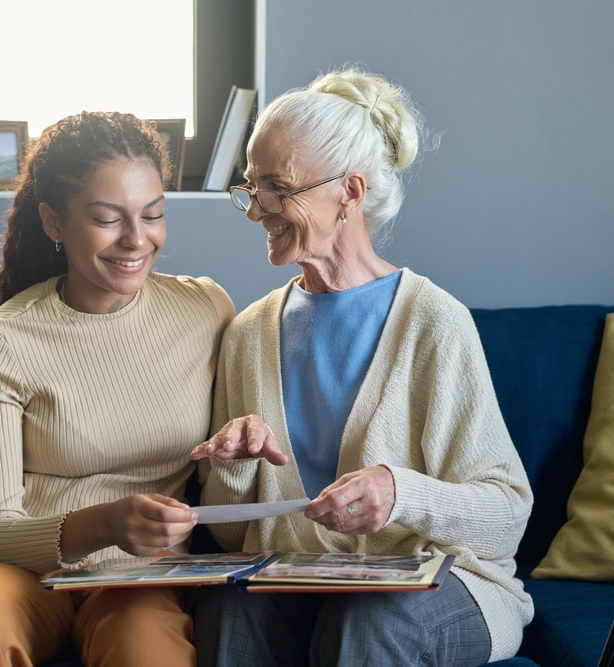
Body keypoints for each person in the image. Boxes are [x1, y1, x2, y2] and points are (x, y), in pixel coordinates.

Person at [189, 68, 534, 666]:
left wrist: (400, 493)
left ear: (350, 190)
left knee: (369, 617)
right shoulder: (247, 333)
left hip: (442, 586)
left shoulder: (433, 321)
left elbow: (506, 515)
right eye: (251, 186)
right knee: (229, 605)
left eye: (278, 187)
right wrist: (238, 471)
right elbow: (228, 538)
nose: (255, 211)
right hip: (301, 584)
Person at [0, 111, 235, 667]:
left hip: (140, 580)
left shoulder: (206, 310)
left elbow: (231, 472)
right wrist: (106, 523)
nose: (137, 239)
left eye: (153, 214)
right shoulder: (0, 342)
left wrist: (243, 442)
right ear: (53, 223)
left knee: (145, 649)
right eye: (108, 218)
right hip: (11, 572)